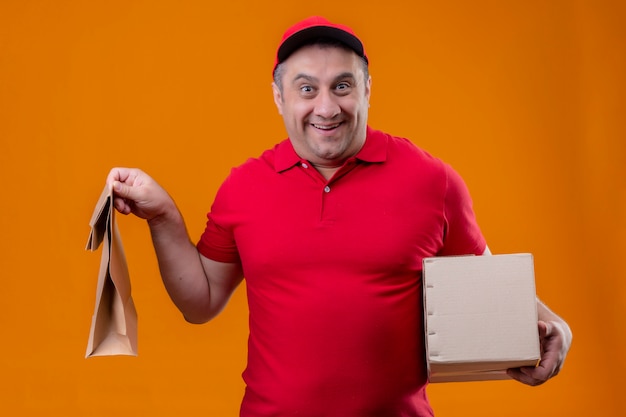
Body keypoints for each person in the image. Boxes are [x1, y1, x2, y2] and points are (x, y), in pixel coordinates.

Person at [106, 16, 572, 417]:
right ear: (278, 96)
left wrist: (557, 329)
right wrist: (163, 215)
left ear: (367, 88)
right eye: (306, 88)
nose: (326, 108)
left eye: (342, 86)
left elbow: (491, 290)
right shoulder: (244, 187)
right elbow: (200, 303)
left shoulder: (433, 181)